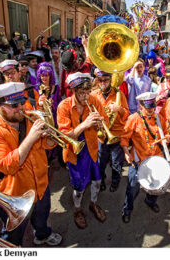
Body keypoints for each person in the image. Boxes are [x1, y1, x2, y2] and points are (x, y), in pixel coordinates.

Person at [0, 82, 62, 246]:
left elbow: (47, 145)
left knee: (41, 217)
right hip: (14, 193)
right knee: (13, 234)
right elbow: (8, 166)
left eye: (21, 102)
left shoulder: (30, 117)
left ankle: (42, 235)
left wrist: (51, 136)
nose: (20, 108)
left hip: (40, 185)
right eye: (13, 105)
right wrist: (31, 137)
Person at [57, 72, 109, 229]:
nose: (86, 97)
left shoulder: (93, 99)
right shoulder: (63, 106)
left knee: (97, 180)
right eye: (81, 93)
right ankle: (78, 210)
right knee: (79, 187)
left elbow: (105, 120)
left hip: (92, 148)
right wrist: (85, 124)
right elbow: (64, 136)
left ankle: (93, 204)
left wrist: (101, 123)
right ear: (73, 91)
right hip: (74, 152)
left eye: (88, 92)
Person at [120, 92, 170, 223]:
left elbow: (166, 134)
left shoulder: (159, 118)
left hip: (156, 159)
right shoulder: (133, 118)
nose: (150, 110)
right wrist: (126, 152)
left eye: (152, 106)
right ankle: (127, 209)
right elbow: (124, 138)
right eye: (147, 107)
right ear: (140, 105)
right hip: (139, 160)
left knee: (156, 186)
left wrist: (167, 138)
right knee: (132, 187)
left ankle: (150, 201)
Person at [91, 70, 129, 192]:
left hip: (117, 134)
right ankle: (101, 180)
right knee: (101, 161)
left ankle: (115, 181)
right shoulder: (94, 95)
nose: (103, 83)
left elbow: (127, 114)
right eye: (100, 80)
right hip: (101, 135)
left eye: (106, 80)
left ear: (110, 80)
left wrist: (119, 109)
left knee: (116, 162)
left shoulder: (119, 94)